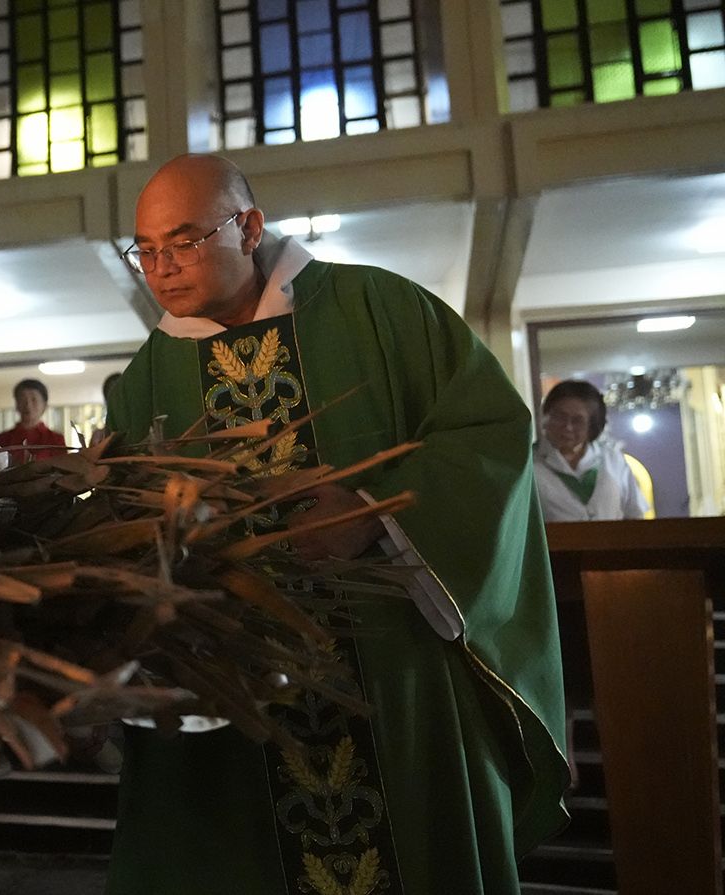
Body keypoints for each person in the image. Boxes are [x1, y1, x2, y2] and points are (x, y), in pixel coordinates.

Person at [102, 154, 569, 895]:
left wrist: (375, 511)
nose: (160, 267)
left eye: (184, 241)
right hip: (234, 700)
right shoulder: (145, 380)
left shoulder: (380, 310)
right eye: (145, 250)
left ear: (249, 226)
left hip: (390, 673)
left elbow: (489, 433)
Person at [534, 380, 652, 521]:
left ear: (592, 425)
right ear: (546, 417)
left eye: (577, 420)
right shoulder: (529, 463)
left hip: (612, 542)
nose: (568, 427)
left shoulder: (613, 459)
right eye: (560, 417)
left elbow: (635, 514)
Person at [0, 378, 66, 461]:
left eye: (34, 399)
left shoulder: (56, 440)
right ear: (16, 404)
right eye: (22, 399)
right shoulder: (2, 439)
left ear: (45, 405)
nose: (28, 405)